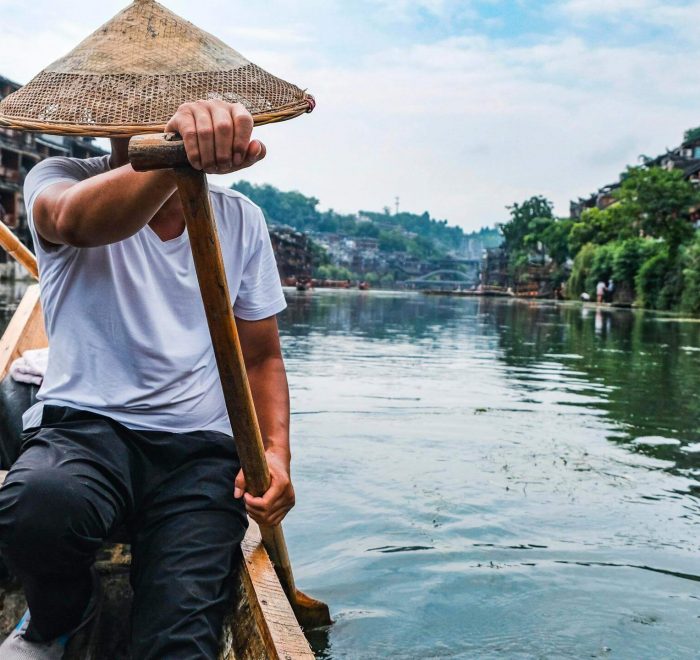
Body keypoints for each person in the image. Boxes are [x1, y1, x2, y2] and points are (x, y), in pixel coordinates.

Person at [0, 1, 315, 657]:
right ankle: (62, 611)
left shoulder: (241, 221)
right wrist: (173, 163)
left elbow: (259, 358)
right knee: (36, 508)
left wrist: (277, 455)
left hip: (198, 455)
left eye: (170, 112)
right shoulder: (55, 179)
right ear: (109, 120)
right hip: (86, 432)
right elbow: (77, 222)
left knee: (179, 642)